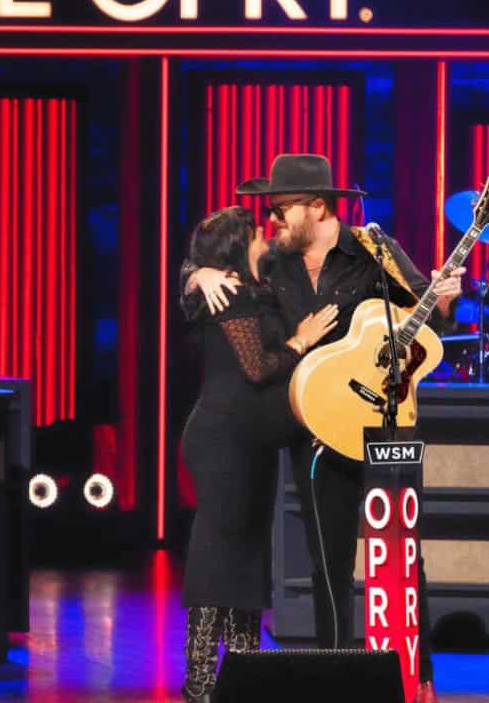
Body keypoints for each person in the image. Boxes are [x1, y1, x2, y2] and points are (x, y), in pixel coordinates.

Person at [184, 154, 464, 703]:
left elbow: (426, 322)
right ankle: (334, 673)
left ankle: (418, 674)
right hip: (314, 430)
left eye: (282, 210)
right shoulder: (276, 266)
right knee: (326, 558)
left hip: (382, 425)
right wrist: (198, 271)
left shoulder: (373, 250)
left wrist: (446, 303)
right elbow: (218, 279)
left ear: (317, 207)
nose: (273, 222)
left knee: (401, 556)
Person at [179, 205, 339, 703]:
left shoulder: (258, 285)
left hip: (253, 441)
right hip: (222, 439)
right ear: (234, 248)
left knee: (248, 556)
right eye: (254, 234)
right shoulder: (226, 293)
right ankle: (200, 677)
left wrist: (193, 271)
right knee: (217, 553)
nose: (264, 237)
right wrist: (300, 339)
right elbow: (256, 367)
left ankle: (241, 670)